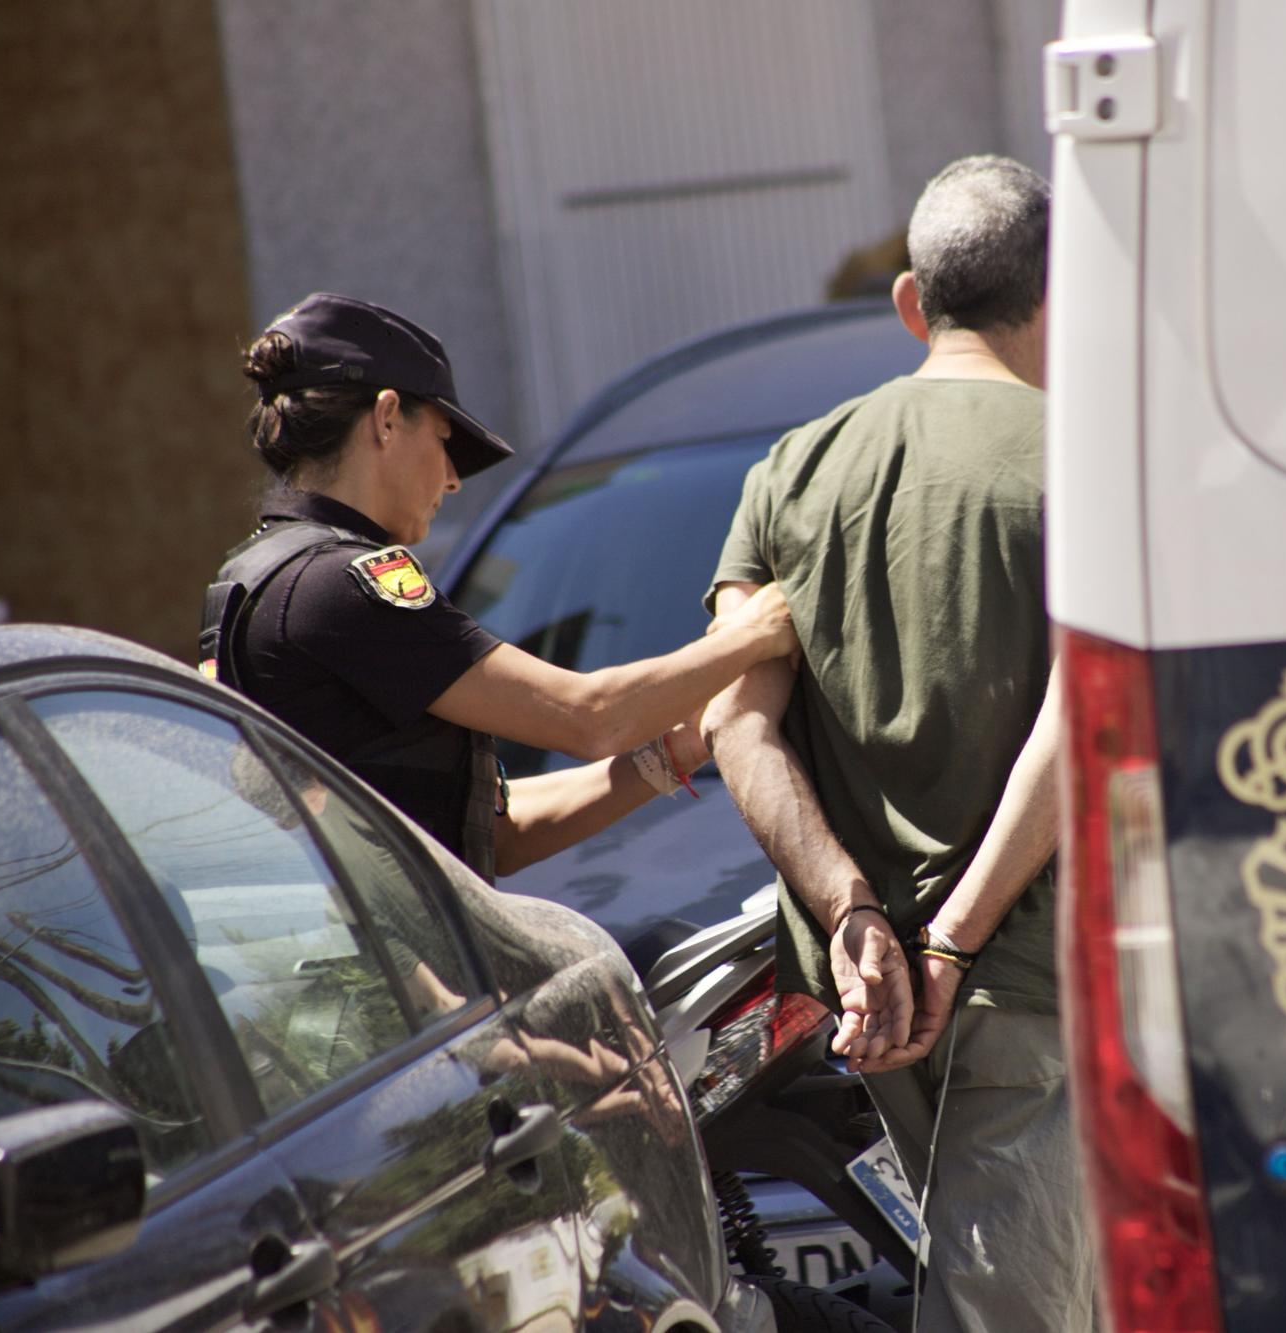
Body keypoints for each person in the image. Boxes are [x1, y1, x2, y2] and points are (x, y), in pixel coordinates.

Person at [701, 157, 1094, 1333]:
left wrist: (853, 915)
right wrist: (953, 941)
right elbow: (1081, 729)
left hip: (873, 1002)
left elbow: (736, 720)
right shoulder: (1086, 462)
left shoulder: (794, 468)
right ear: (1055, 290)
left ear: (912, 303)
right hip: (1028, 982)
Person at [204, 292, 797, 882]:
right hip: (395, 968)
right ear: (387, 418)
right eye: (444, 441)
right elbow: (590, 717)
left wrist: (678, 748)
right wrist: (756, 632)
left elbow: (495, 836)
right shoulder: (336, 585)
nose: (455, 479)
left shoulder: (268, 574)